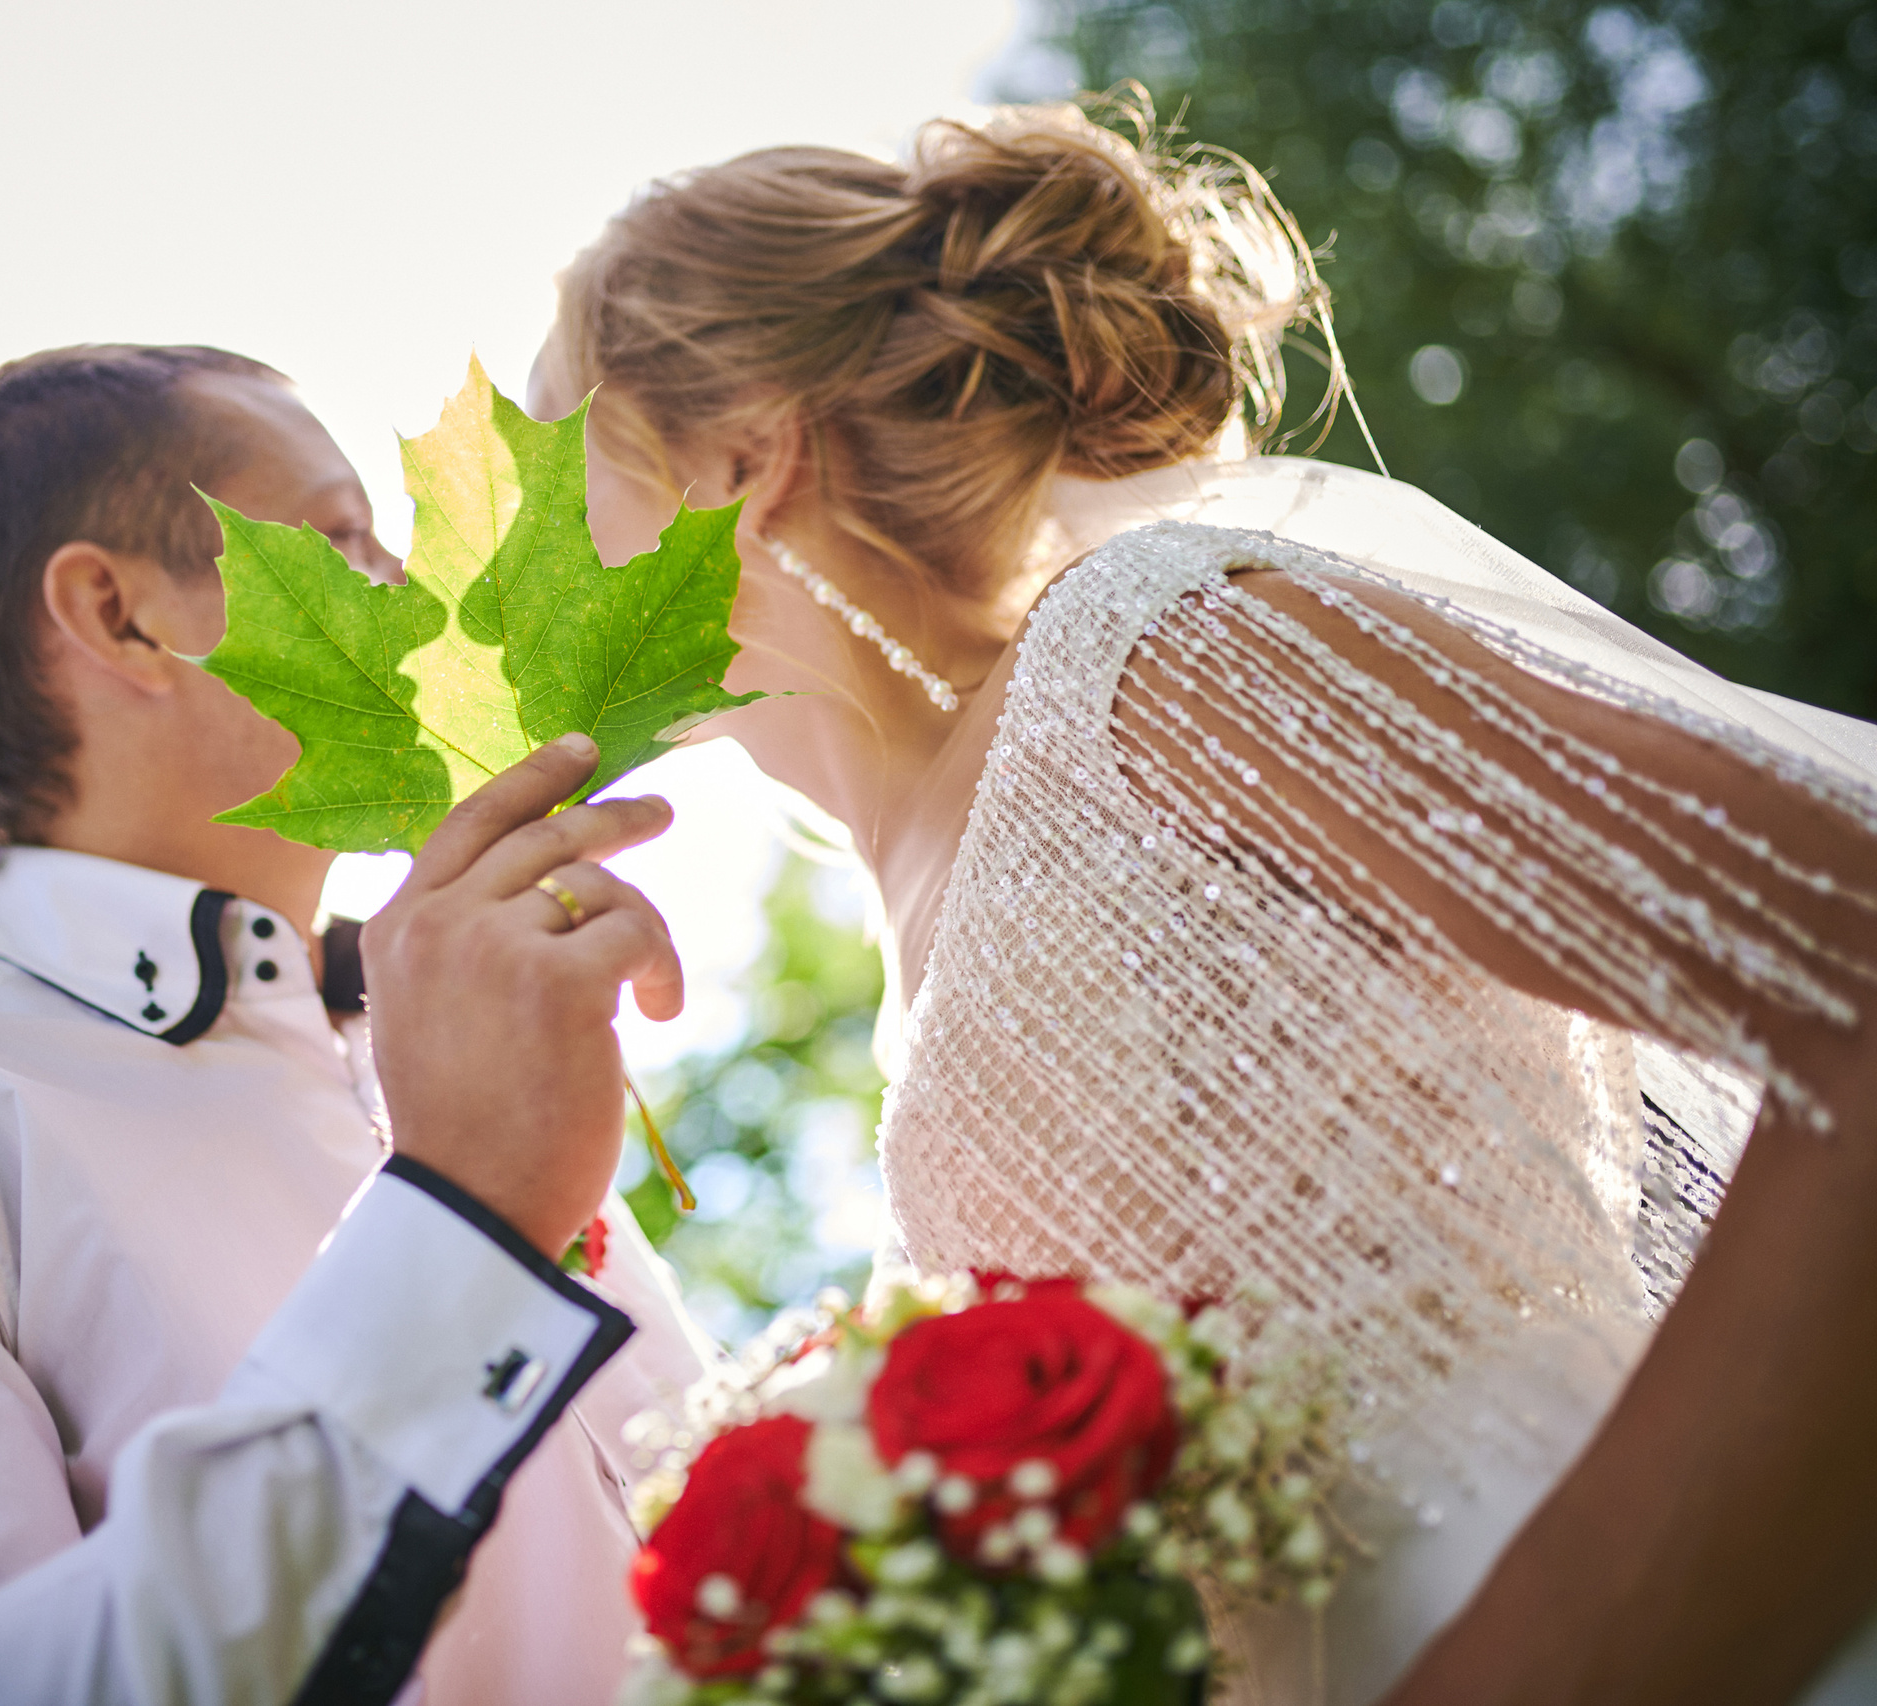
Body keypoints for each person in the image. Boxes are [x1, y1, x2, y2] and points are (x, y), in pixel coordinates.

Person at [533, 98, 1877, 1704]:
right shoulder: (914, 934)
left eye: (560, 471)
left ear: (741, 460)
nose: (524, 568)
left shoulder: (1155, 657)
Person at [0, 344, 712, 1706]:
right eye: (343, 540)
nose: (417, 598)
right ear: (119, 614)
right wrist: (465, 1225)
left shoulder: (426, 1057)